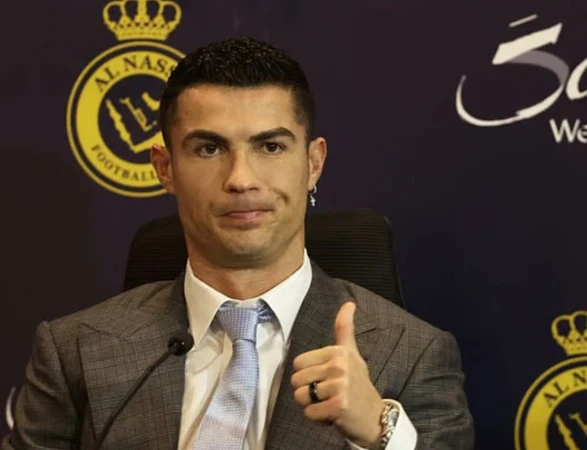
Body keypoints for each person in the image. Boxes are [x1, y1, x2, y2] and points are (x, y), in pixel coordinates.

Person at [1, 37, 474, 450]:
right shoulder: (74, 350)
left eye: (270, 147)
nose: (241, 178)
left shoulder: (413, 354)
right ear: (165, 168)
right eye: (209, 148)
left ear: (313, 164)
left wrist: (380, 434)